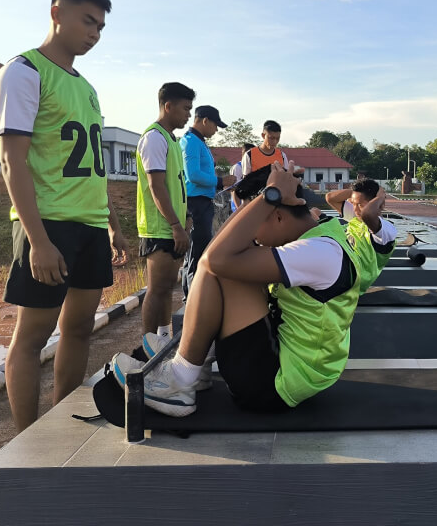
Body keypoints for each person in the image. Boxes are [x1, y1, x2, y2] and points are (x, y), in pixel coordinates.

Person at [112, 161, 391, 416]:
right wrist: (266, 199)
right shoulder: (319, 232)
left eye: (256, 223)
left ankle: (180, 381)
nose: (255, 237)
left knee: (223, 268)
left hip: (275, 385)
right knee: (232, 261)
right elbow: (221, 249)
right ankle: (197, 359)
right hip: (296, 371)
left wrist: (269, 197)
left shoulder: (318, 252)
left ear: (278, 216)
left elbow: (214, 260)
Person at [0, 0, 129, 432]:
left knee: (79, 328)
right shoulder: (23, 72)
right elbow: (12, 161)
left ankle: (61, 426)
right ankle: (26, 439)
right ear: (57, 13)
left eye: (101, 27)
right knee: (32, 338)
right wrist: (38, 240)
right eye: (88, 21)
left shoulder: (86, 88)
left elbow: (92, 166)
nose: (95, 34)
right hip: (48, 224)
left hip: (89, 225)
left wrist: (111, 224)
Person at [136, 82, 194, 336]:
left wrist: (186, 217)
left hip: (174, 226)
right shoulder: (154, 138)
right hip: (160, 227)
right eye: (185, 109)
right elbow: (156, 186)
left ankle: (162, 338)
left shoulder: (172, 140)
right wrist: (175, 225)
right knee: (157, 289)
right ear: (168, 106)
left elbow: (177, 184)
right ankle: (147, 345)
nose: (188, 115)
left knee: (167, 288)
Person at [179, 105, 228, 299]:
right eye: (215, 125)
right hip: (195, 203)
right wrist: (220, 181)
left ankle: (191, 296)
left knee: (196, 252)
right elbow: (193, 175)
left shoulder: (199, 142)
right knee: (196, 253)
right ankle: (193, 299)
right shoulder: (191, 142)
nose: (216, 130)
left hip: (203, 202)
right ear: (205, 120)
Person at [325, 178, 397, 291]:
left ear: (377, 204)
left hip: (353, 278)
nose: (355, 209)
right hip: (339, 266)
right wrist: (354, 192)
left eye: (360, 205)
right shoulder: (356, 217)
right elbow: (330, 198)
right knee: (315, 213)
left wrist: (380, 197)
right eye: (353, 204)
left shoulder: (386, 230)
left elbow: (368, 214)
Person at [231, 142, 256, 212]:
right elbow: (234, 190)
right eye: (250, 153)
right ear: (245, 154)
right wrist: (238, 209)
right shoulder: (238, 167)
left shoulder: (252, 167)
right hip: (239, 205)